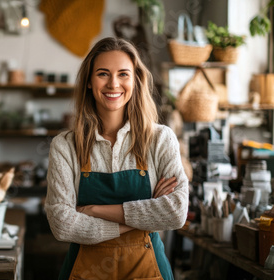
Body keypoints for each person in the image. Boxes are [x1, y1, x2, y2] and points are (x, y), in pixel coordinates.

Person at [45, 37, 189, 280]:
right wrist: (141, 219)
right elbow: (62, 224)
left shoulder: (160, 139)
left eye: (123, 74)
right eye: (103, 74)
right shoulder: (65, 145)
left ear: (135, 81)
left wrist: (93, 210)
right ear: (89, 82)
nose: (113, 84)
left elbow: (175, 212)